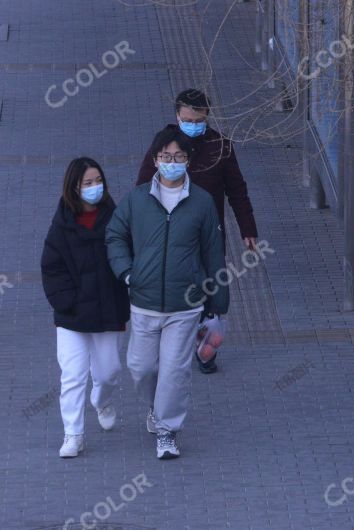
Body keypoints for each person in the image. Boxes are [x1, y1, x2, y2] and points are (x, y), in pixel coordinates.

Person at [107, 129, 229, 459]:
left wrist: (217, 302)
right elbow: (115, 235)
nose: (171, 163)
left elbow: (212, 252)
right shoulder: (137, 200)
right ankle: (154, 409)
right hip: (144, 302)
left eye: (178, 157)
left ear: (188, 160)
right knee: (142, 368)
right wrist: (128, 272)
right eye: (165, 157)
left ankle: (167, 431)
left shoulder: (202, 202)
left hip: (185, 304)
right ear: (155, 159)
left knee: (175, 369)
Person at [136, 88, 257, 374]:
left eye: (198, 119)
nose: (193, 125)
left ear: (207, 116)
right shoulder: (164, 147)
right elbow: (142, 188)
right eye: (187, 119)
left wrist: (248, 228)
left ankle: (205, 346)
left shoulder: (220, 146)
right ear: (177, 116)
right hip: (171, 234)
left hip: (209, 235)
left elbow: (237, 191)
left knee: (210, 289)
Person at [41, 157, 130, 458]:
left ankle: (101, 400)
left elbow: (126, 257)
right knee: (73, 375)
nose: (94, 187)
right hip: (72, 317)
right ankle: (73, 434)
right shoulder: (61, 227)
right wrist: (66, 303)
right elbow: (52, 270)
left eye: (97, 181)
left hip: (108, 312)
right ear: (73, 188)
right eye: (87, 183)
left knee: (108, 373)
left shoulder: (116, 219)